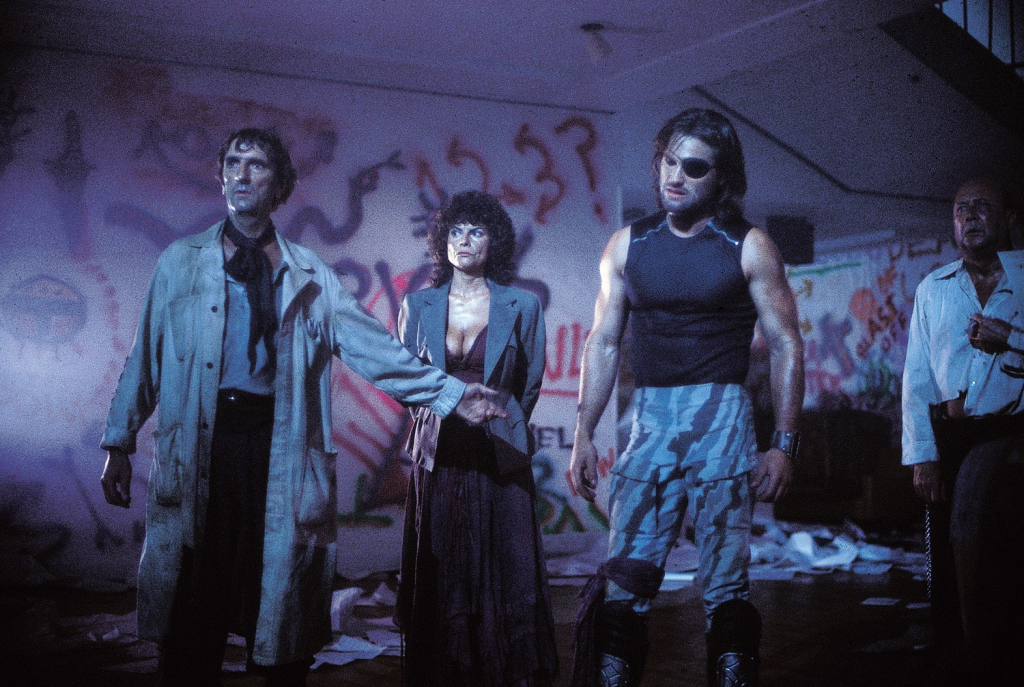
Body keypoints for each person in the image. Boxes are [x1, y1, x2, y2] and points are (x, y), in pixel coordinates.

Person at [98, 128, 507, 687]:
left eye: (257, 165)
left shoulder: (310, 275)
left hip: (278, 450)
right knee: (195, 596)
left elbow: (374, 350)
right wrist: (118, 442)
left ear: (281, 185)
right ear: (222, 177)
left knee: (279, 598)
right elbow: (144, 357)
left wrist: (452, 396)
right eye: (233, 163)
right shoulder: (180, 263)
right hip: (201, 446)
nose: (242, 175)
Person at [568, 108, 804, 687]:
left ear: (722, 178)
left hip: (722, 416)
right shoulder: (627, 245)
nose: (675, 176)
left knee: (726, 581)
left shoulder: (749, 245)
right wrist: (583, 432)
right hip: (649, 417)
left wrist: (783, 445)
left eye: (693, 167)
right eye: (668, 162)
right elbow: (603, 342)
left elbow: (785, 344)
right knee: (626, 576)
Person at [394, 190, 559, 687]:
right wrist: (442, 412)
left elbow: (529, 383)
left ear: (494, 242)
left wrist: (500, 418)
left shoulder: (522, 305)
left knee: (505, 565)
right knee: (443, 559)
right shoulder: (417, 305)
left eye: (477, 231)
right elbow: (404, 381)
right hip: (439, 452)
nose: (464, 240)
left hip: (498, 452)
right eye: (456, 231)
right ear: (442, 241)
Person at [902, 178, 1024, 685]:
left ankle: (993, 659)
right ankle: (960, 654)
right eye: (960, 209)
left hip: (1012, 434)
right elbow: (916, 378)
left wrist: (1011, 338)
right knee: (946, 558)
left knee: (995, 549)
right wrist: (923, 454)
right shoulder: (934, 287)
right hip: (951, 437)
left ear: (1009, 218)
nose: (969, 216)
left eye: (982, 206)